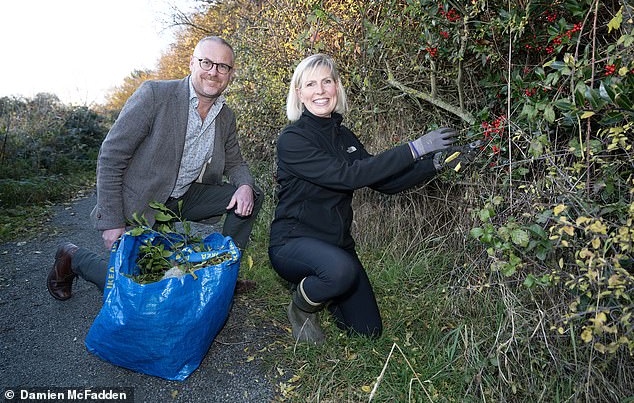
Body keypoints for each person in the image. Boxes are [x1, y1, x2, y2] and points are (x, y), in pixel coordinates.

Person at [268, 53, 475, 344]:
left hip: (337, 246)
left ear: (337, 87)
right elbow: (347, 175)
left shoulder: (345, 137)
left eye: (327, 81)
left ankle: (322, 289)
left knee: (367, 331)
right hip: (293, 244)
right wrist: (414, 148)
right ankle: (301, 307)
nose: (320, 91)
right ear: (299, 94)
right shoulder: (293, 139)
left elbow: (385, 183)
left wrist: (434, 164)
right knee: (340, 271)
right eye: (311, 84)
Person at [47, 36, 263, 300]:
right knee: (145, 288)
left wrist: (244, 186)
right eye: (207, 62)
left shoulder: (225, 116)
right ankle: (73, 257)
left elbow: (235, 161)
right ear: (192, 63)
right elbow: (111, 156)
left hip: (183, 197)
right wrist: (112, 221)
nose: (213, 72)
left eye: (222, 66)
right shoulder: (155, 95)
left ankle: (224, 275)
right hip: (142, 203)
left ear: (230, 73)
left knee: (253, 192)